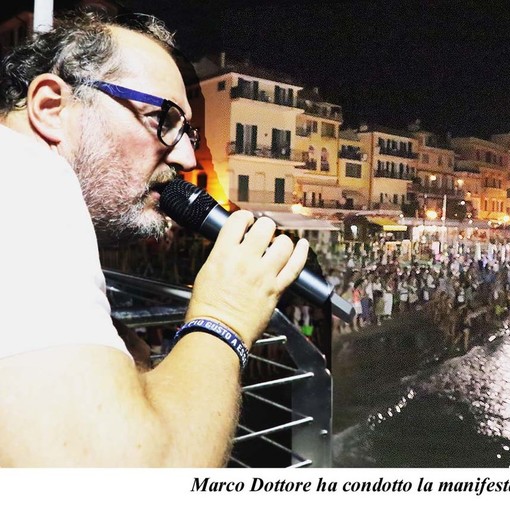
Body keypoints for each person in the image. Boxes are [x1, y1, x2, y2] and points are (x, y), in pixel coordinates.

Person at [0, 11, 308, 466]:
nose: (186, 157)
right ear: (51, 108)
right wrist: (225, 317)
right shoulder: (26, 181)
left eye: (189, 131)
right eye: (164, 118)